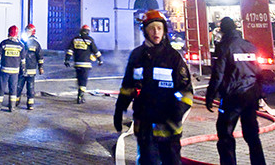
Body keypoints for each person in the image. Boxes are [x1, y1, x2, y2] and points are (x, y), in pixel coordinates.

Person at [114, 9, 193, 165]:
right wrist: (119, 108)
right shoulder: (137, 56)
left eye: (159, 28)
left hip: (169, 125)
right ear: (145, 31)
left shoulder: (173, 57)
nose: (155, 32)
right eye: (151, 28)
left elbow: (185, 90)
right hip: (144, 123)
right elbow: (128, 85)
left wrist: (177, 111)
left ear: (164, 30)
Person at [205, 17, 266, 165]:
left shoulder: (225, 47)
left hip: (232, 97)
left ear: (223, 30)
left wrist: (210, 96)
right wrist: (259, 95)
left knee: (225, 135)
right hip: (250, 96)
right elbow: (259, 73)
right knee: (252, 135)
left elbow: (218, 74)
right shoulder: (250, 46)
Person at [64, 24, 103, 103]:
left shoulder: (75, 39)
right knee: (84, 80)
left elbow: (70, 51)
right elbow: (96, 51)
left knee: (79, 79)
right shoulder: (90, 40)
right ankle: (80, 96)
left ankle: (79, 94)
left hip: (77, 64)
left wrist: (67, 60)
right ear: (88, 32)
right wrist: (100, 60)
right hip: (86, 64)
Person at [0, 25, 26, 112]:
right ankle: (12, 107)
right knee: (13, 89)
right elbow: (23, 60)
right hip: (15, 71)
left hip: (4, 70)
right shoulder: (20, 45)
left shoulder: (4, 43)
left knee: (1, 88)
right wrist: (23, 70)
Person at [17, 23, 44, 110]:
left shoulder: (35, 44)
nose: (27, 32)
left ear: (32, 32)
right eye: (26, 30)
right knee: (18, 86)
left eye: (28, 30)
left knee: (30, 87)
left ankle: (30, 104)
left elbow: (40, 57)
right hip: (22, 69)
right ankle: (16, 101)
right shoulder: (21, 42)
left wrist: (41, 67)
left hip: (30, 69)